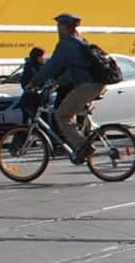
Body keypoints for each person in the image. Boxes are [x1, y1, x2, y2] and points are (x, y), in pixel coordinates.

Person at [28, 14, 105, 164]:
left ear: (65, 27)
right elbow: (74, 70)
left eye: (59, 26)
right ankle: (83, 136)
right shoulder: (80, 41)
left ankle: (82, 146)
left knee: (62, 115)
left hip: (87, 85)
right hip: (97, 84)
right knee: (73, 110)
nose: (57, 29)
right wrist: (59, 82)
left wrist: (34, 83)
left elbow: (51, 66)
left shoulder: (65, 45)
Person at [18, 47, 45, 125]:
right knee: (29, 120)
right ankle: (24, 135)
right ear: (37, 57)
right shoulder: (30, 67)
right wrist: (31, 88)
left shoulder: (43, 67)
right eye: (42, 56)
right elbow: (24, 82)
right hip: (30, 99)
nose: (43, 59)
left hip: (39, 99)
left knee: (39, 121)